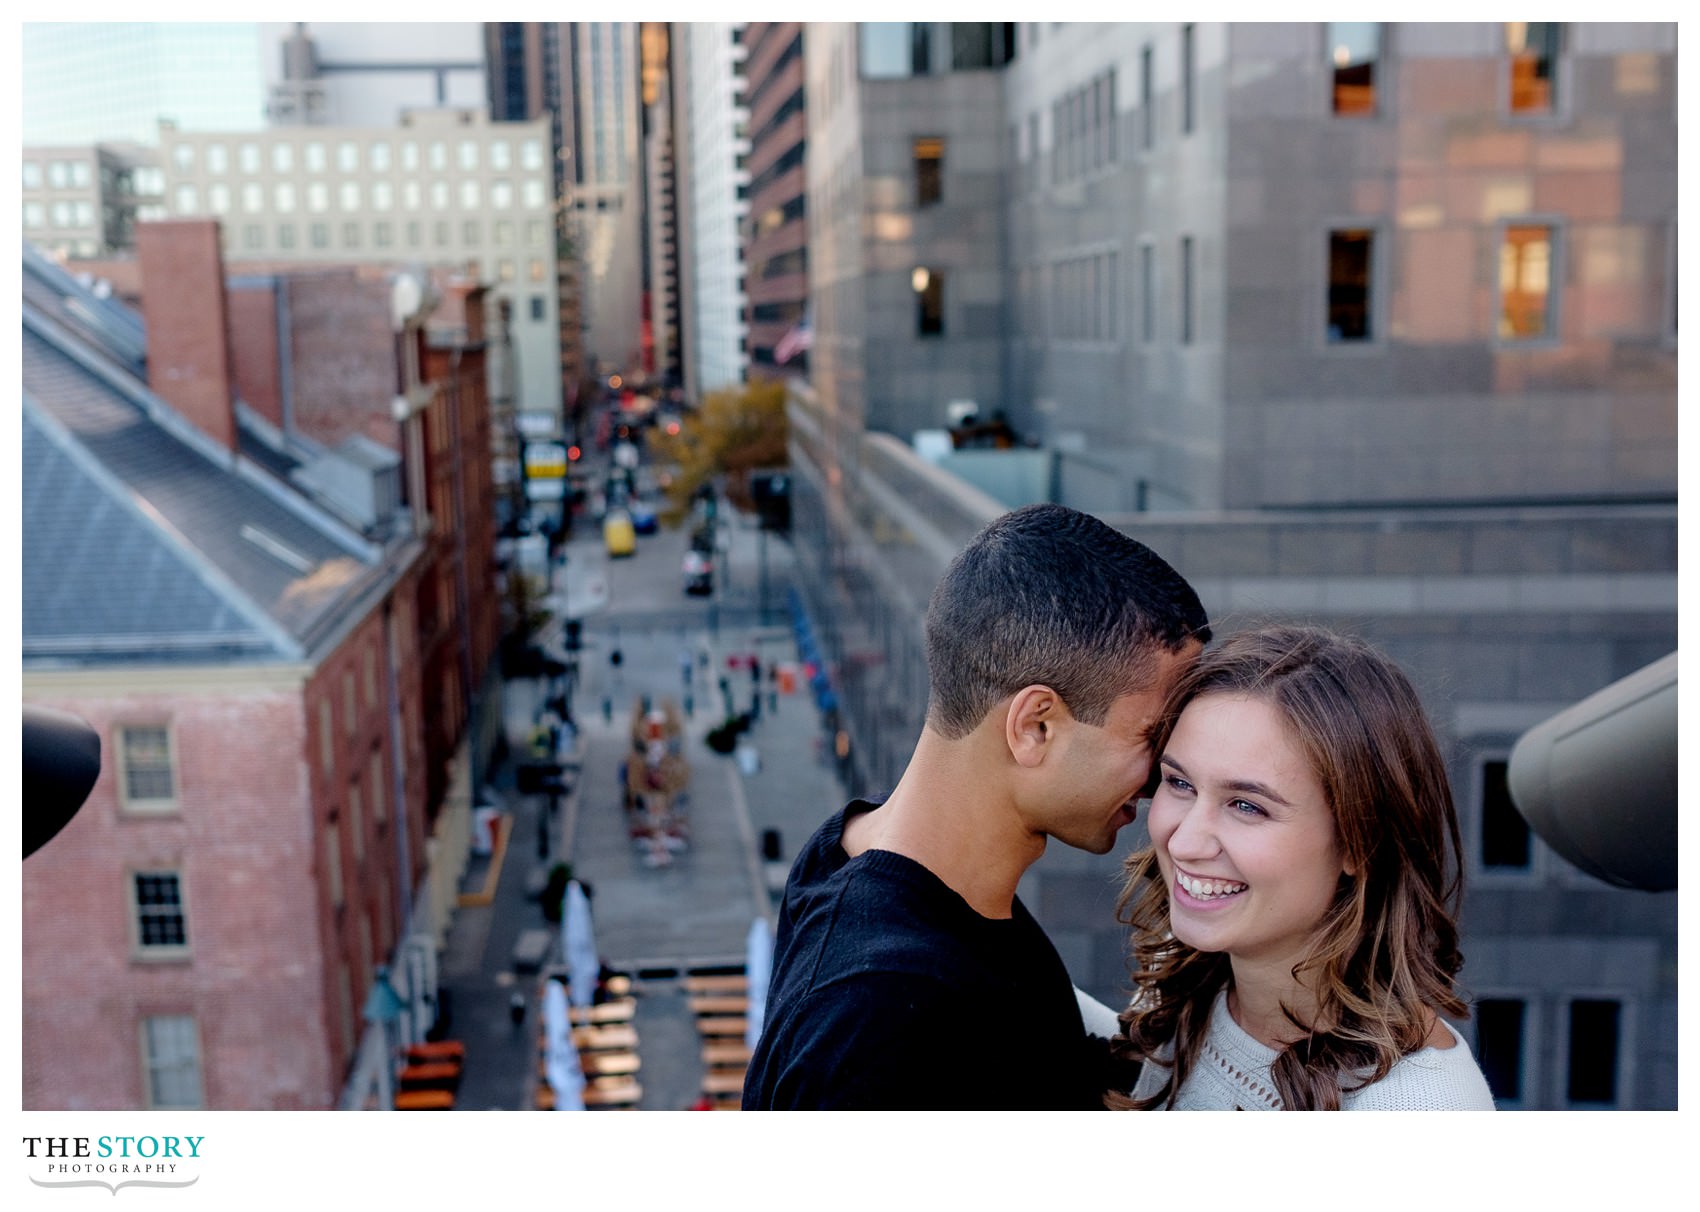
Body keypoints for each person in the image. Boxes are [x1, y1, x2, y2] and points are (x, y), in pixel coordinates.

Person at [742, 503, 1210, 1109]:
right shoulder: (881, 1021)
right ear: (1035, 726)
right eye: (1152, 737)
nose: (1161, 779)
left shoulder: (868, 850)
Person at [1110, 625, 1496, 1110]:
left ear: (1361, 842)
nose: (1184, 841)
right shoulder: (1182, 984)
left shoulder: (1420, 1107)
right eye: (1179, 783)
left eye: (1247, 806)